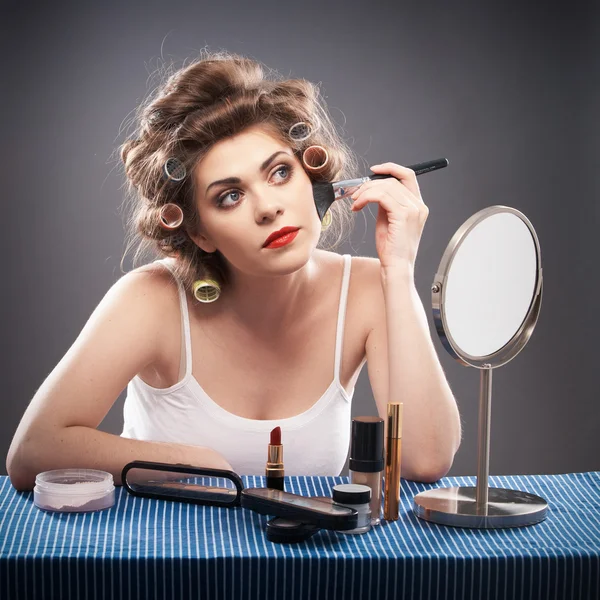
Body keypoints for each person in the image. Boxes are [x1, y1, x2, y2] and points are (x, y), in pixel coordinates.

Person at [6, 51, 461, 491]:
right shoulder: (151, 299)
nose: (268, 208)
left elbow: (425, 459)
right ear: (200, 233)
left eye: (280, 172)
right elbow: (32, 451)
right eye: (230, 196)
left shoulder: (365, 290)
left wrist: (398, 270)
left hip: (304, 562)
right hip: (165, 557)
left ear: (314, 178)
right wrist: (201, 463)